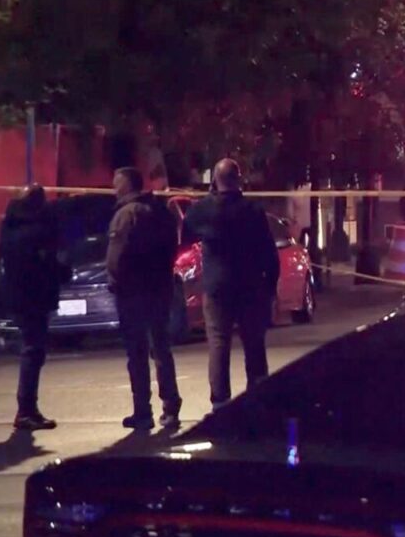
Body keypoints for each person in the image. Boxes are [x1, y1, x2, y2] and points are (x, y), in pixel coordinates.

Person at [185, 158, 280, 408]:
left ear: (215, 181)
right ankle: (258, 398)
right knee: (254, 343)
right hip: (250, 286)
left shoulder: (204, 210)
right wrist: (270, 286)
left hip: (217, 287)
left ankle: (220, 401)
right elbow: (269, 252)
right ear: (239, 180)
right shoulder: (253, 210)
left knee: (218, 343)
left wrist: (210, 196)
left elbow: (187, 228)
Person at [107, 167, 182, 430]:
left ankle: (143, 412)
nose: (114, 188)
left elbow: (116, 257)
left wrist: (115, 283)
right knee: (161, 349)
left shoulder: (126, 215)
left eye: (117, 183)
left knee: (137, 354)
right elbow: (173, 246)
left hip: (133, 293)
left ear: (128, 185)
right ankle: (171, 408)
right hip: (159, 289)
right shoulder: (160, 211)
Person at [0, 184, 63, 431]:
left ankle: (28, 409)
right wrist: (58, 272)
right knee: (33, 351)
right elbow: (42, 265)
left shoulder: (11, 227)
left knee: (33, 350)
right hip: (33, 298)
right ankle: (26, 410)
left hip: (21, 297)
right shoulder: (35, 232)